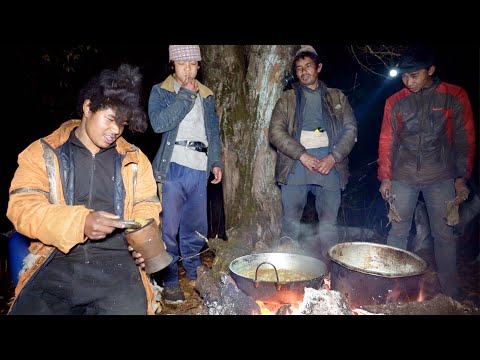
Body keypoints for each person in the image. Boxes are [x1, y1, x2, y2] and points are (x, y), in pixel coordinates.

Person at [6, 64, 164, 315]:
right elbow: (22, 208)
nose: (116, 130)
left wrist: (143, 240)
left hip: (118, 264)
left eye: (122, 124)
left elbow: (147, 206)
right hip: (56, 259)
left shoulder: (134, 159)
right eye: (110, 119)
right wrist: (80, 222)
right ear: (88, 108)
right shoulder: (43, 152)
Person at [377, 44, 476, 300]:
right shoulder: (395, 102)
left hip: (440, 177)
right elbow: (387, 141)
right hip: (403, 176)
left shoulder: (453, 96)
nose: (408, 81)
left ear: (431, 70)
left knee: (444, 235)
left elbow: (465, 140)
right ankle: (387, 291)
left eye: (415, 75)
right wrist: (385, 177)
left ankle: (450, 294)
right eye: (404, 76)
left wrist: (461, 178)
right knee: (397, 231)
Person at [269, 45, 358, 264]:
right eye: (299, 68)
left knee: (328, 225)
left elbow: (351, 130)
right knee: (290, 222)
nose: (304, 72)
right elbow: (275, 132)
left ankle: (332, 274)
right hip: (296, 166)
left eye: (308, 66)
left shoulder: (337, 97)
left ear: (318, 67)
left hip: (329, 167)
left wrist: (333, 157)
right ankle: (287, 270)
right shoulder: (287, 99)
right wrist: (301, 155)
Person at [148, 45, 223, 304]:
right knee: (168, 229)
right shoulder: (161, 91)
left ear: (199, 65)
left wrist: (215, 161)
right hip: (172, 168)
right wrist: (185, 97)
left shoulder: (207, 95)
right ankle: (170, 282)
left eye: (193, 64)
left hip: (199, 166)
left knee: (195, 226)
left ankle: (193, 274)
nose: (188, 69)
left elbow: (213, 132)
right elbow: (159, 124)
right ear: (173, 65)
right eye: (182, 64)